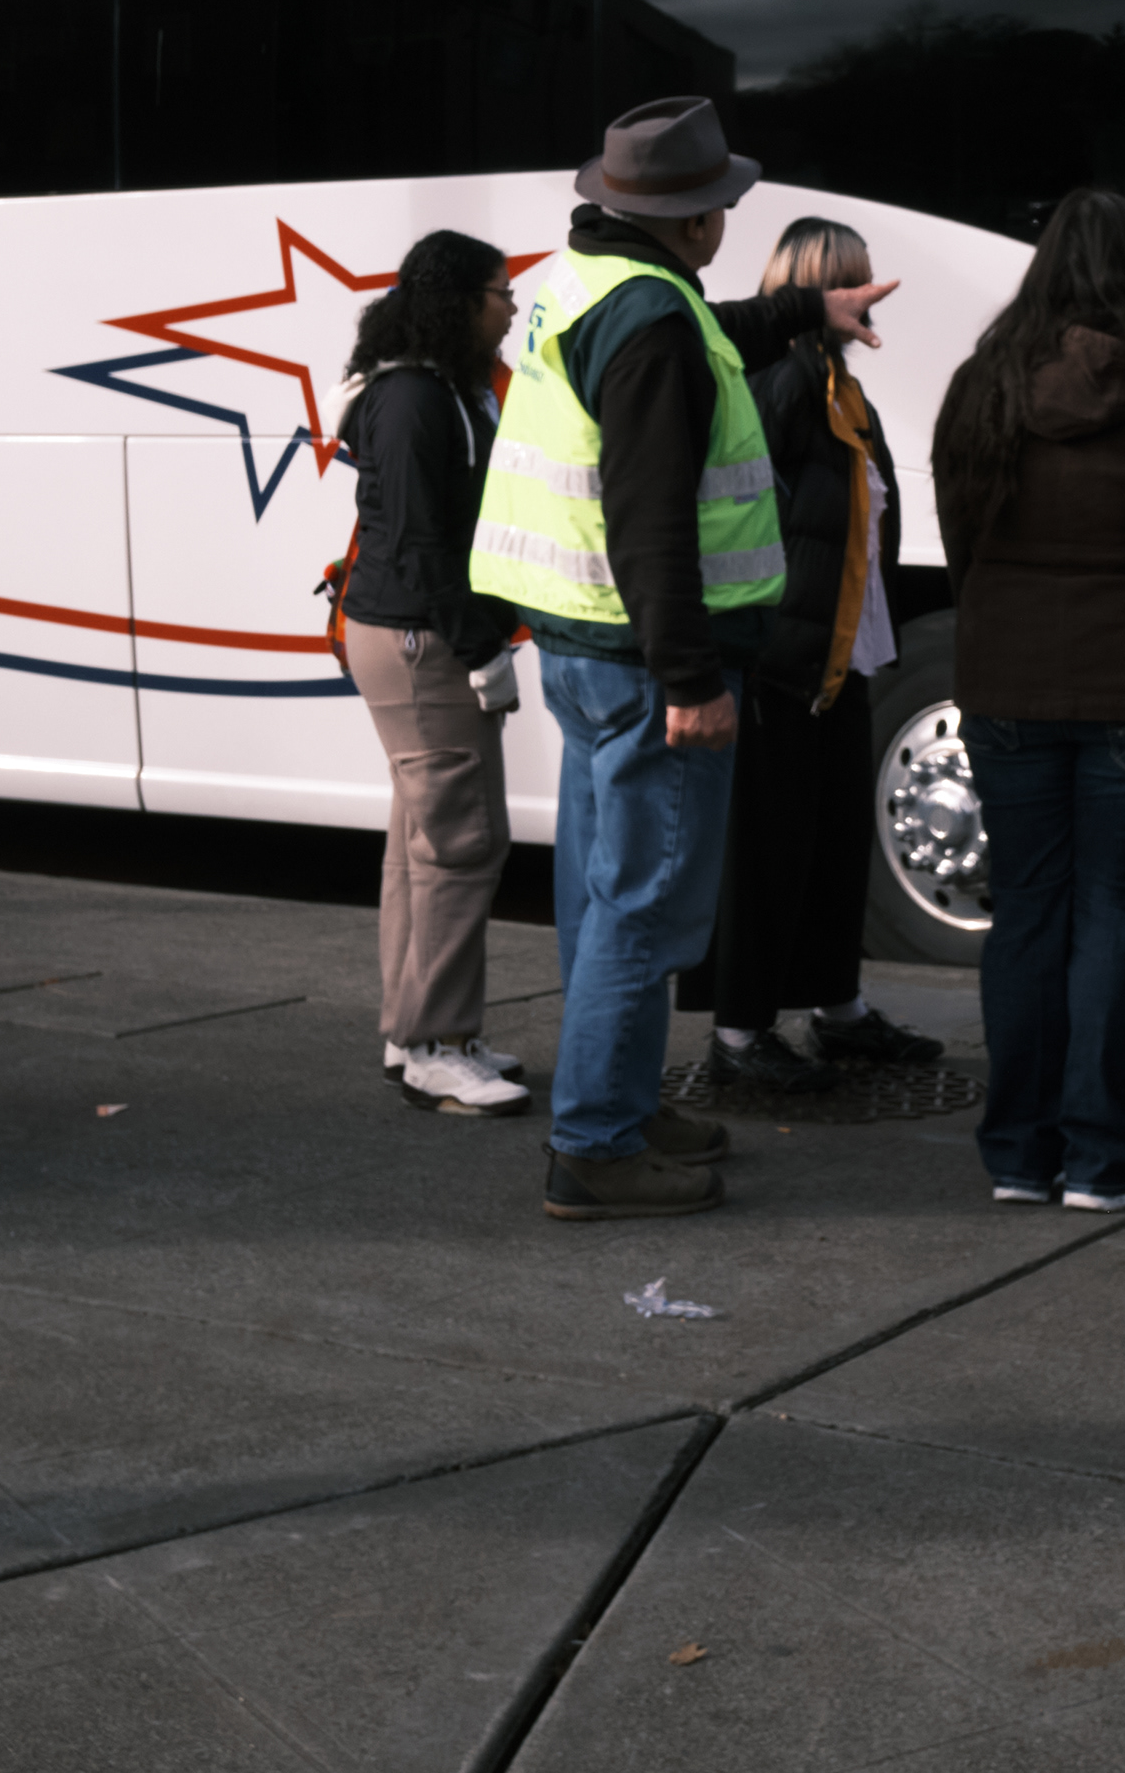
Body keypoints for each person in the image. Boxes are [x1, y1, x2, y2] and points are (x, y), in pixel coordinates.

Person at [472, 98, 896, 1220]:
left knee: (601, 898)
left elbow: (712, 340)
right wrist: (694, 681)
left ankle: (619, 1105)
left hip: (581, 643)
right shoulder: (654, 322)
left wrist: (812, 306)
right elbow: (650, 518)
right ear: (697, 218)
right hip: (645, 660)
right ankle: (599, 1144)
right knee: (646, 905)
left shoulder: (593, 280)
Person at [934, 186, 1125, 1214]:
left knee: (1025, 912)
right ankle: (1107, 1156)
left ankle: (1019, 1152)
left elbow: (960, 534)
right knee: (1117, 916)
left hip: (1009, 681)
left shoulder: (985, 385)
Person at [680, 217, 946, 1094]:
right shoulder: (782, 383)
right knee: (767, 848)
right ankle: (740, 1033)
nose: (871, 295)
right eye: (855, 281)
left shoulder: (839, 389)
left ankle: (838, 1011)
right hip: (782, 660)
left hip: (841, 657)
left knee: (833, 844)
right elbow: (746, 520)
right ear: (819, 287)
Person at [337, 231, 533, 1119]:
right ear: (459, 302)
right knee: (461, 842)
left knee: (421, 842)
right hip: (423, 642)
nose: (511, 308)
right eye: (499, 293)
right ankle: (437, 1048)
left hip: (412, 635)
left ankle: (414, 1031)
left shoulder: (430, 388)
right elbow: (422, 549)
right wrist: (483, 649)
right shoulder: (418, 397)